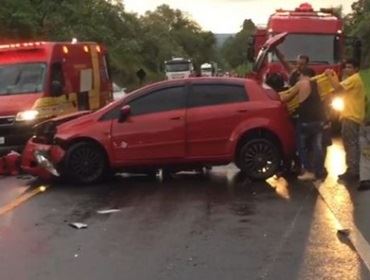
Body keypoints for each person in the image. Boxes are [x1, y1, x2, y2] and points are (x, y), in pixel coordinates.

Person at [281, 67, 326, 180]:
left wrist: (278, 96)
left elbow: (287, 98)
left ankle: (309, 171)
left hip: (306, 120)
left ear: (301, 74)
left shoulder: (301, 84)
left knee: (302, 147)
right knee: (318, 147)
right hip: (319, 119)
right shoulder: (317, 84)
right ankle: (319, 172)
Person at [325, 59, 366, 182]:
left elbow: (337, 88)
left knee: (350, 144)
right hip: (354, 116)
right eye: (346, 67)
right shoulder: (355, 79)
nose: (346, 69)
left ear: (356, 69)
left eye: (349, 67)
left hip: (350, 116)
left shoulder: (353, 79)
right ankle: (354, 170)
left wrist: (330, 75)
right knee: (352, 144)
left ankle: (352, 171)